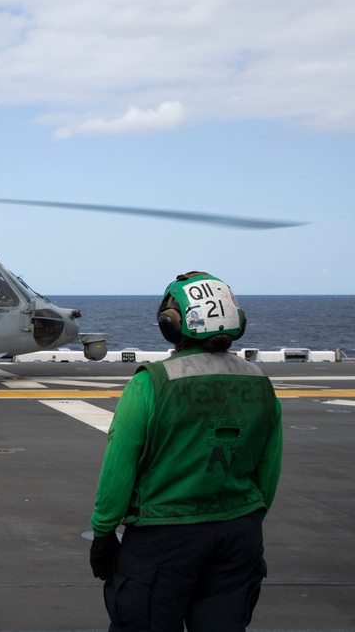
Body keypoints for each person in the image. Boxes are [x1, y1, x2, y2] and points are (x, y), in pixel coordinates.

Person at [88, 271, 283, 632]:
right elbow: (268, 467)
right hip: (239, 533)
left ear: (171, 324)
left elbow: (119, 466)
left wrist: (103, 532)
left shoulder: (152, 382)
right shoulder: (259, 382)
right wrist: (246, 517)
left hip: (164, 537)